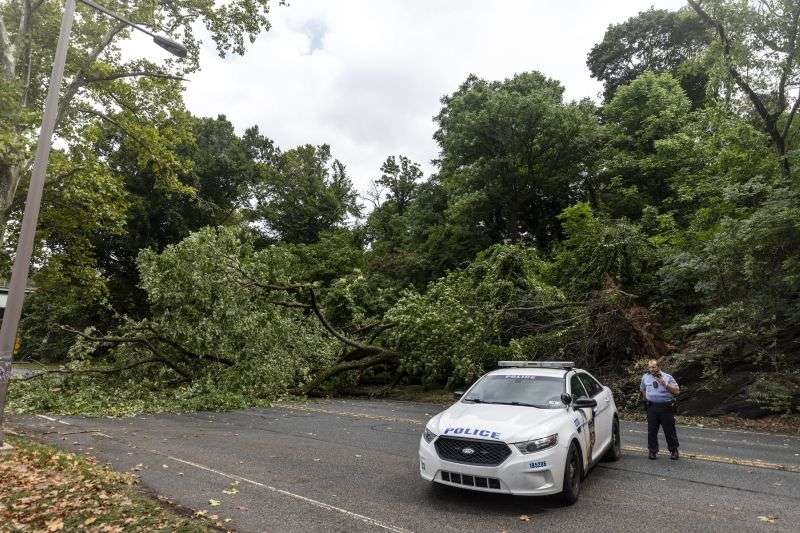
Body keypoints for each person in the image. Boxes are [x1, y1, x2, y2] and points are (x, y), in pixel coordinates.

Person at [640, 359, 680, 460]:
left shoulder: (667, 377)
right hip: (652, 407)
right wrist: (646, 400)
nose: (651, 369)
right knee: (652, 430)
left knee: (669, 430)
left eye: (653, 367)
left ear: (658, 367)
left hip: (665, 407)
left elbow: (677, 391)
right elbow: (642, 389)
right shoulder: (645, 377)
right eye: (649, 367)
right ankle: (652, 451)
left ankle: (674, 450)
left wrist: (665, 384)